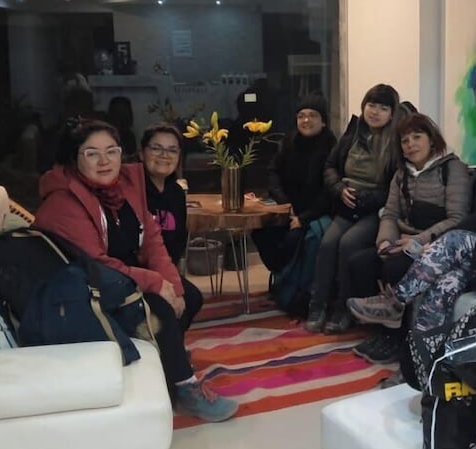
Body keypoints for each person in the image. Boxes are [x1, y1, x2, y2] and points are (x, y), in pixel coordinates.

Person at [34, 119, 237, 422]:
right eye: (92, 153)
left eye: (111, 151)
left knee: (189, 296)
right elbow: (95, 263)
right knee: (159, 308)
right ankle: (185, 388)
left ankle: (166, 362)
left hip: (122, 276)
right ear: (74, 158)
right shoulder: (65, 201)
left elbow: (152, 240)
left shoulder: (123, 187)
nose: (104, 161)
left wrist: (172, 284)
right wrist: (154, 282)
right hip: (87, 289)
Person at [348, 111, 476, 381]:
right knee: (440, 290)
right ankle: (420, 369)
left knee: (449, 243)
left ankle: (396, 301)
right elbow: (391, 213)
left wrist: (437, 243)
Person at [349, 112, 472, 364]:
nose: (411, 145)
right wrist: (385, 242)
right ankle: (380, 332)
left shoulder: (453, 169)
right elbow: (390, 214)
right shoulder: (401, 174)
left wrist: (419, 241)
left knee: (394, 267)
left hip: (437, 246)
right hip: (403, 239)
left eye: (417, 137)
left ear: (431, 140)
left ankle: (397, 338)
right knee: (360, 262)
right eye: (405, 141)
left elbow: (457, 218)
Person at [306, 83, 401, 334]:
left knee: (348, 244)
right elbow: (330, 167)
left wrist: (369, 199)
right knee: (327, 244)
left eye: (383, 108)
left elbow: (396, 185)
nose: (375, 112)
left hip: (375, 211)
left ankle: (343, 309)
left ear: (392, 113)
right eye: (371, 105)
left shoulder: (395, 143)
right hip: (347, 205)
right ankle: (317, 305)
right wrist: (339, 189)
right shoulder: (352, 134)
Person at [251, 93, 336, 276]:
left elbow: (328, 192)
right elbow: (273, 171)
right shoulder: (290, 142)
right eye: (301, 116)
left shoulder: (332, 147)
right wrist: (284, 203)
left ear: (323, 122)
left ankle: (288, 281)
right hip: (287, 209)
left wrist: (303, 218)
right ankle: (282, 276)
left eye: (313, 115)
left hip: (315, 213)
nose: (306, 120)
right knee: (259, 232)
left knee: (292, 239)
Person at [140, 122, 203, 326]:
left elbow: (178, 242)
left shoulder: (176, 193)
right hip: (138, 270)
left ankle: (168, 340)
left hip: (165, 268)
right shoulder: (134, 191)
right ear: (142, 153)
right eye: (156, 148)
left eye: (172, 150)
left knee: (191, 298)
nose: (164, 155)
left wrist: (170, 278)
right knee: (169, 303)